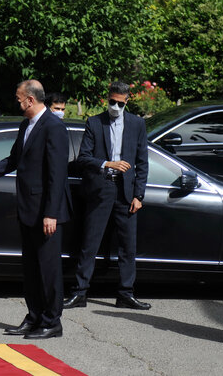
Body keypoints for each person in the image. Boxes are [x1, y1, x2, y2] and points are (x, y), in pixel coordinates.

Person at [0, 80, 69, 339]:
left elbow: (57, 174)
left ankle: (52, 321)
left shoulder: (54, 126)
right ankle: (34, 316)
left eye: (19, 99)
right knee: (31, 268)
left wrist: (51, 212)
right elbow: (13, 160)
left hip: (46, 213)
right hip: (28, 209)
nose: (17, 102)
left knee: (48, 269)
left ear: (30, 100)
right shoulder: (26, 125)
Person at [64, 81, 150, 311]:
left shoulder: (137, 124)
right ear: (107, 99)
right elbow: (83, 158)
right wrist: (107, 163)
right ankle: (80, 292)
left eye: (119, 103)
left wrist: (139, 195)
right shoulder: (94, 122)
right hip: (101, 188)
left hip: (126, 192)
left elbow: (142, 162)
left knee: (127, 246)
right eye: (111, 101)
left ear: (127, 101)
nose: (114, 106)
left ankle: (125, 294)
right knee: (90, 243)